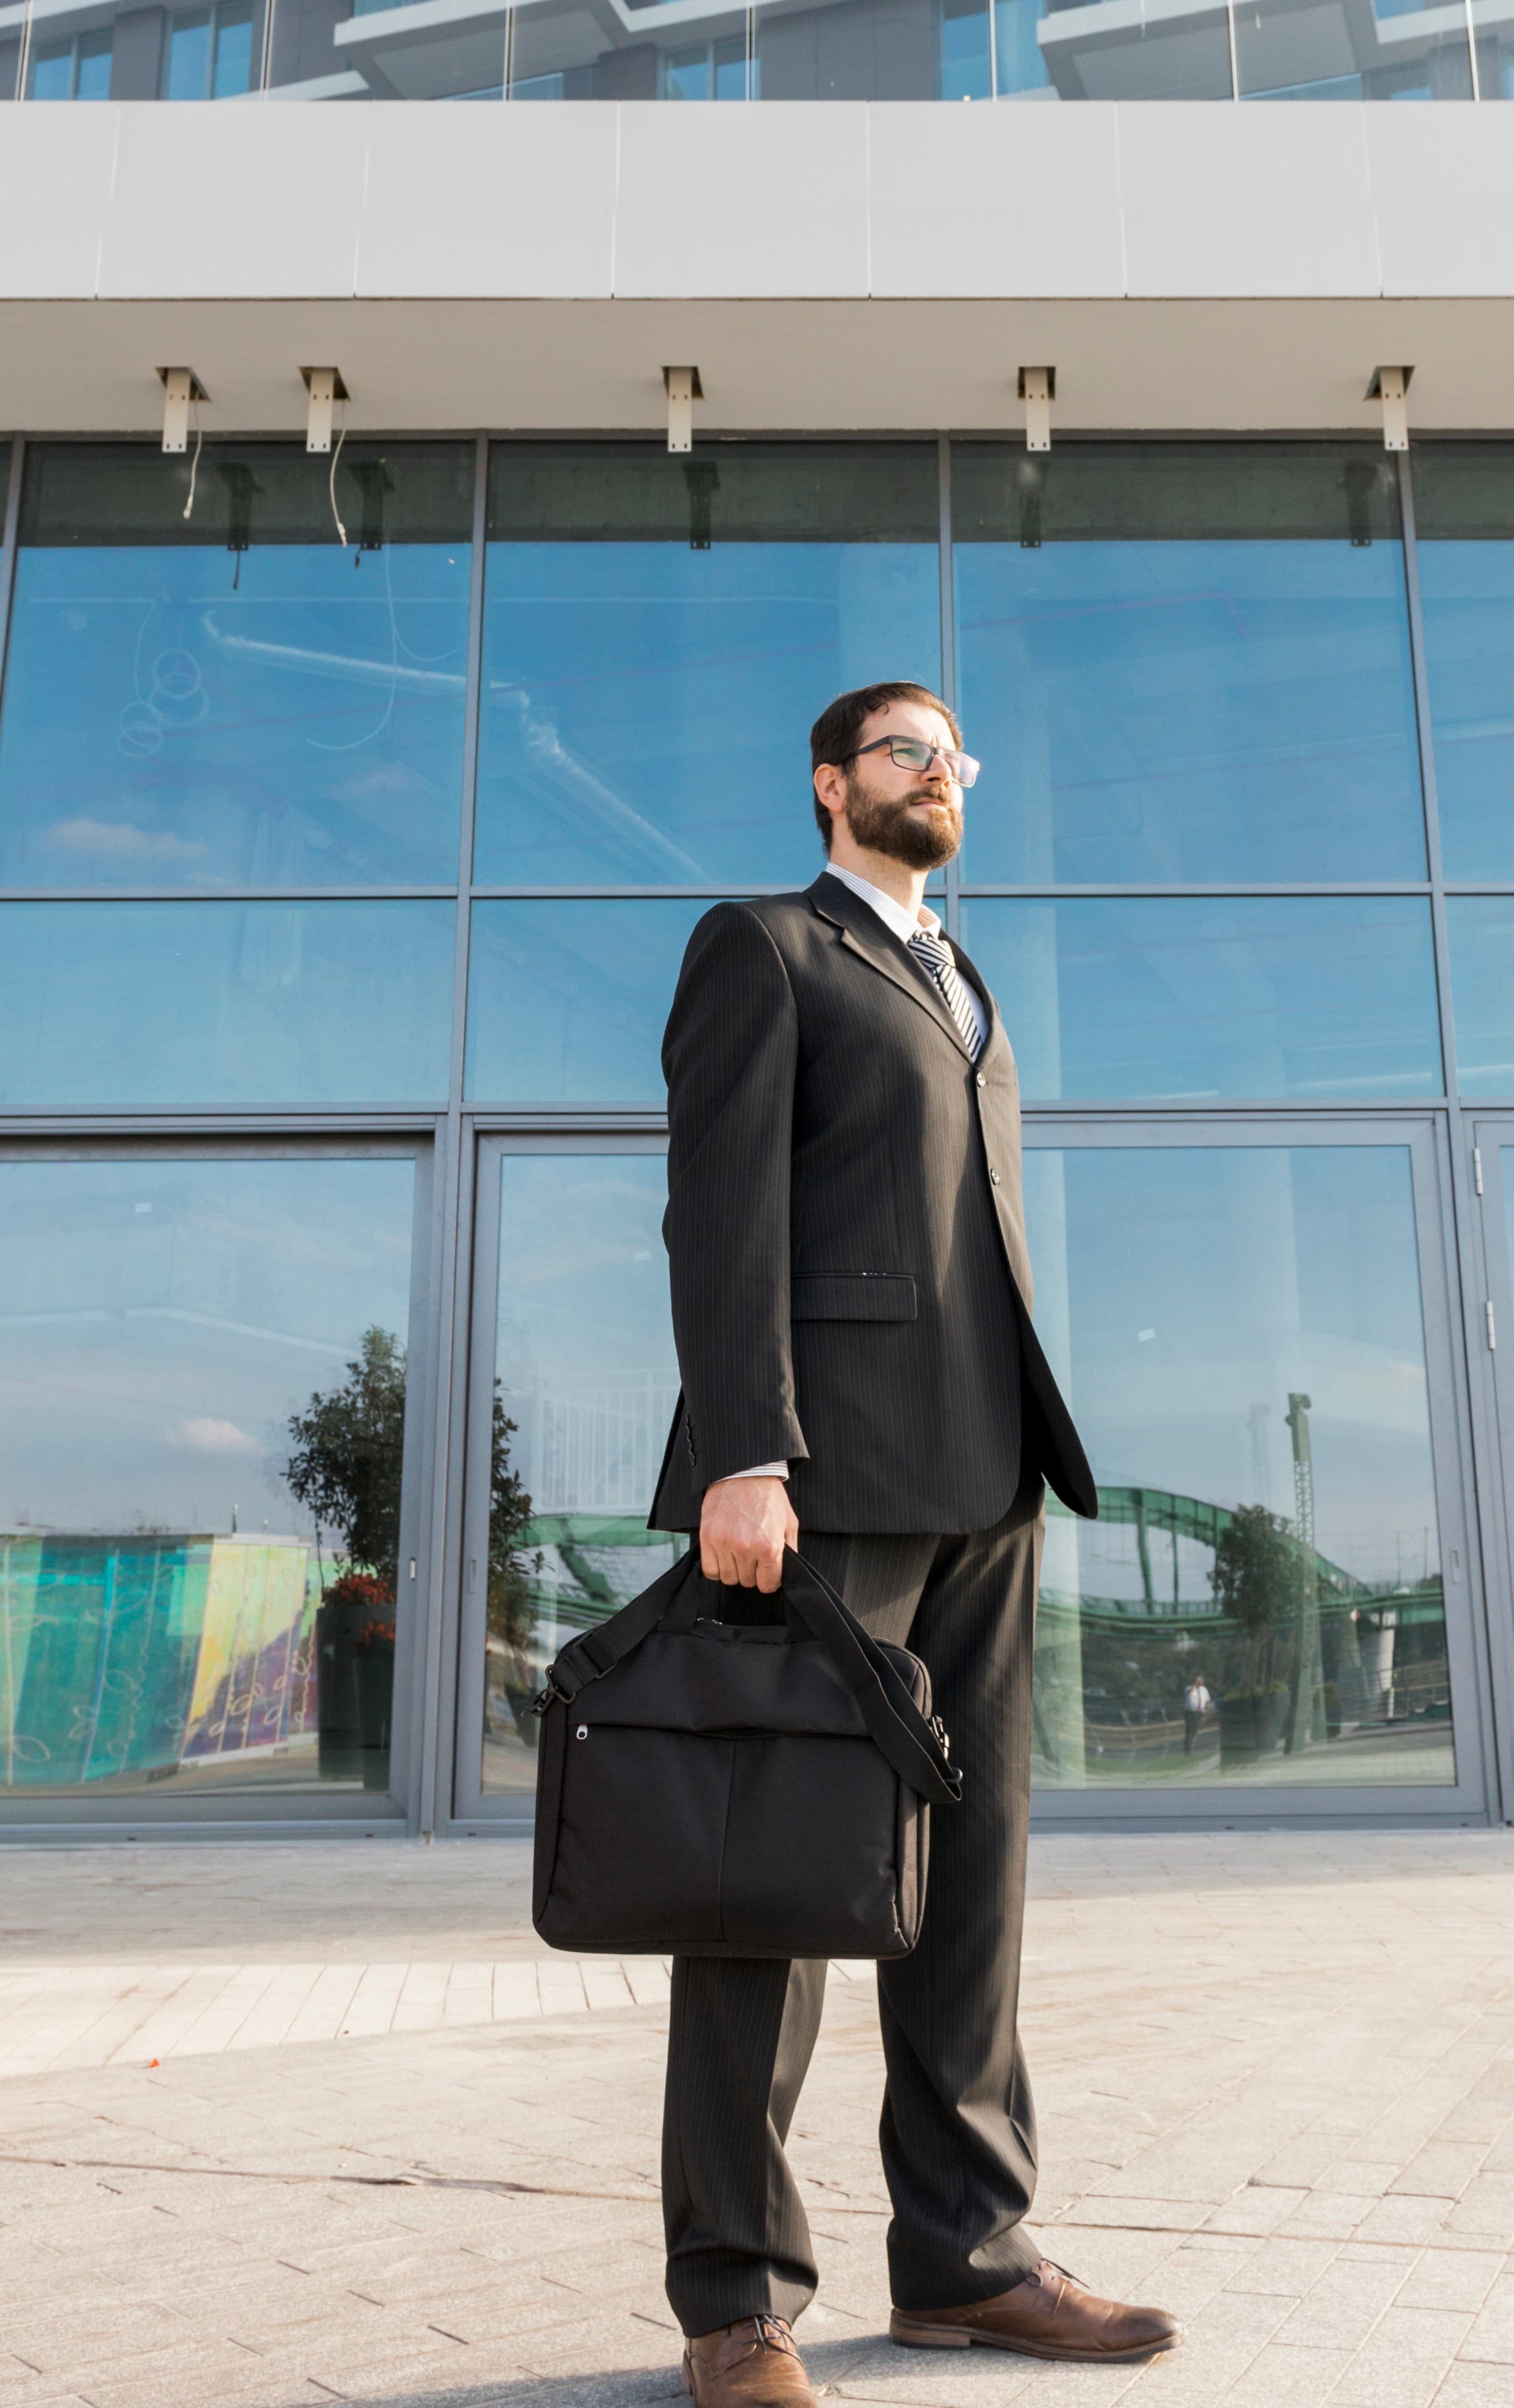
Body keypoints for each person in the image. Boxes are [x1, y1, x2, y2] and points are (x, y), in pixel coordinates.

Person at [648, 681, 1182, 2408]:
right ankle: (738, 2308)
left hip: (986, 1483)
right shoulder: (765, 948)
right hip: (820, 1490)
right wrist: (745, 1450)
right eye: (905, 751)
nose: (939, 771)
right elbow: (721, 1206)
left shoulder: (967, 980)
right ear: (830, 785)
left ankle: (967, 2260)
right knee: (771, 1886)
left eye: (957, 755)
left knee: (972, 1892)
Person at [1183, 1675, 1213, 1753]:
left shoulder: (1204, 1690)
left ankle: (1190, 1745)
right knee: (1190, 1729)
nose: (1201, 1682)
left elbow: (1207, 1700)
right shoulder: (1189, 1688)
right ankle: (1187, 1749)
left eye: (1201, 1680)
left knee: (1195, 1729)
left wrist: (1206, 1708)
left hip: (1199, 1713)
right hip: (1190, 1713)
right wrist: (1195, 1685)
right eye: (1199, 1680)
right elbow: (1189, 1692)